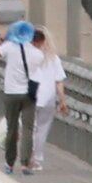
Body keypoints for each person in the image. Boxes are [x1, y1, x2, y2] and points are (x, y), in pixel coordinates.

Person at [0, 21, 44, 176]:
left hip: (11, 93)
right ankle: (25, 164)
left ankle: (9, 163)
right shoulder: (38, 54)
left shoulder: (9, 47)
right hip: (28, 95)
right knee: (28, 129)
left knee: (11, 128)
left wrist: (2, 38)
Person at [29, 28, 68, 172]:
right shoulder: (54, 59)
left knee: (30, 128)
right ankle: (37, 160)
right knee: (42, 130)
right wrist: (62, 101)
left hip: (31, 97)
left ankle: (28, 157)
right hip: (48, 99)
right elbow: (59, 81)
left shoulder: (28, 56)